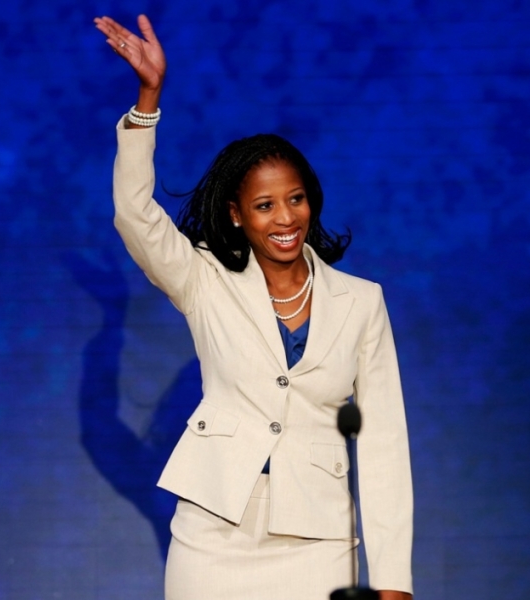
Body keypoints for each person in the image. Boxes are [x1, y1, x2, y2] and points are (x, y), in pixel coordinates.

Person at [93, 15, 414, 600]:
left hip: (318, 540)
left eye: (295, 199)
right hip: (214, 533)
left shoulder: (362, 302)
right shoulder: (205, 279)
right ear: (238, 214)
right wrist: (148, 100)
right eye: (265, 205)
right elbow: (134, 215)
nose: (285, 218)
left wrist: (393, 582)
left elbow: (384, 441)